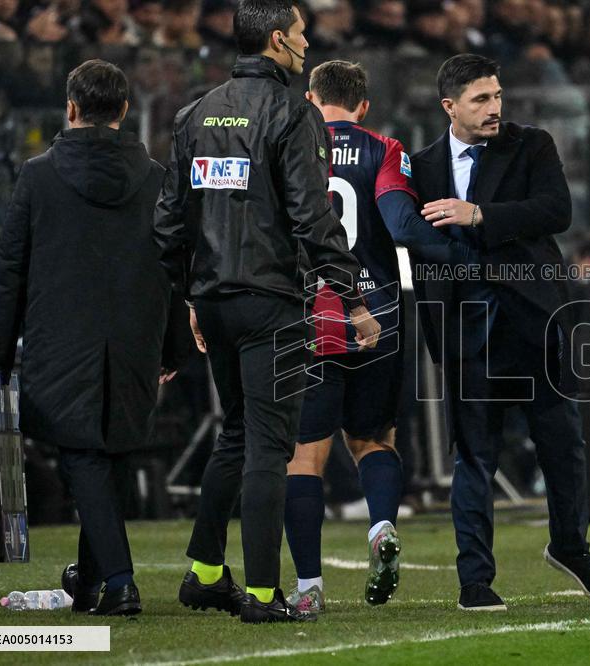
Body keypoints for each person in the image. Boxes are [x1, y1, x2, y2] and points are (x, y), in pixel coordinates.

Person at [153, 0, 381, 624]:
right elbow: (313, 219)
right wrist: (354, 300)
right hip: (271, 304)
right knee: (269, 446)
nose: (308, 43)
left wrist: (189, 299)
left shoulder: (194, 113)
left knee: (235, 433)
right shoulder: (292, 111)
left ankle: (205, 574)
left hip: (213, 301)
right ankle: (260, 594)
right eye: (302, 33)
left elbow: (169, 224)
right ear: (278, 40)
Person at [410, 53, 590, 611]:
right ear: (449, 106)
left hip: (533, 321)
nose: (494, 108)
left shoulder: (531, 145)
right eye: (481, 99)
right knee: (474, 457)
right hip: (467, 332)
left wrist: (479, 214)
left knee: (563, 445)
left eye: (498, 96)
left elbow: (557, 210)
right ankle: (474, 580)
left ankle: (570, 547)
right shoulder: (422, 165)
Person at [0, 59, 185, 616]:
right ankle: (90, 579)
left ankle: (119, 582)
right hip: (134, 338)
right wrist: (172, 346)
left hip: (61, 339)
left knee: (83, 456)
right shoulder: (155, 178)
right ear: (124, 110)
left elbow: (9, 269)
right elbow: (175, 266)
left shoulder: (38, 175)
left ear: (71, 107)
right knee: (108, 455)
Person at [283, 59, 474, 614]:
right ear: (363, 106)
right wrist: (464, 254)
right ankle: (382, 526)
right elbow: (399, 223)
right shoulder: (385, 149)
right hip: (379, 314)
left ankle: (309, 587)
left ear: (310, 100)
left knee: (304, 457)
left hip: (308, 314)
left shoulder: (290, 149)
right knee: (374, 440)